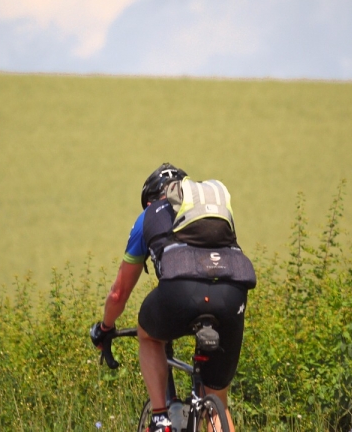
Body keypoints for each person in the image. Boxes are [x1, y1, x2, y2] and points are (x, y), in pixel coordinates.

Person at [90, 163, 249, 432]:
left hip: (181, 293)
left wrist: (105, 328)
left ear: (151, 199)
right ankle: (211, 409)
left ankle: (160, 415)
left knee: (149, 335)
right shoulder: (211, 213)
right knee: (217, 400)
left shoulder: (149, 216)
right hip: (232, 295)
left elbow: (119, 292)